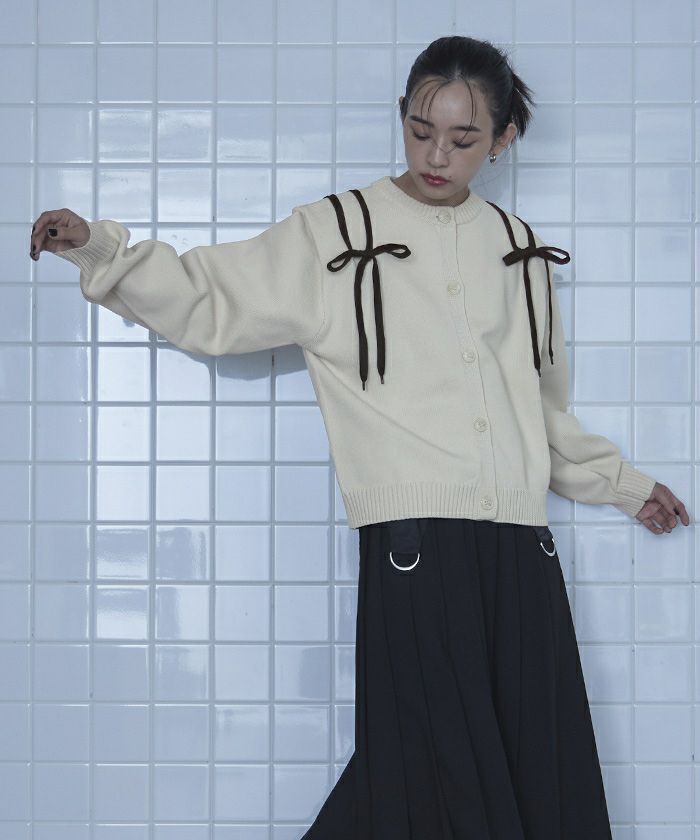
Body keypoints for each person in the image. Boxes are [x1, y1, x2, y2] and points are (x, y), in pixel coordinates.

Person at [30, 33, 689, 840]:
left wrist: (623, 486)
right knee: (423, 781)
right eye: (420, 130)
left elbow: (540, 411)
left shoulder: (520, 250)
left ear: (503, 139)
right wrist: (99, 249)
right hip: (416, 550)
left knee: (539, 782)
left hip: (523, 551)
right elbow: (209, 300)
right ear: (402, 114)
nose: (436, 155)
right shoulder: (335, 232)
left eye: (463, 139)